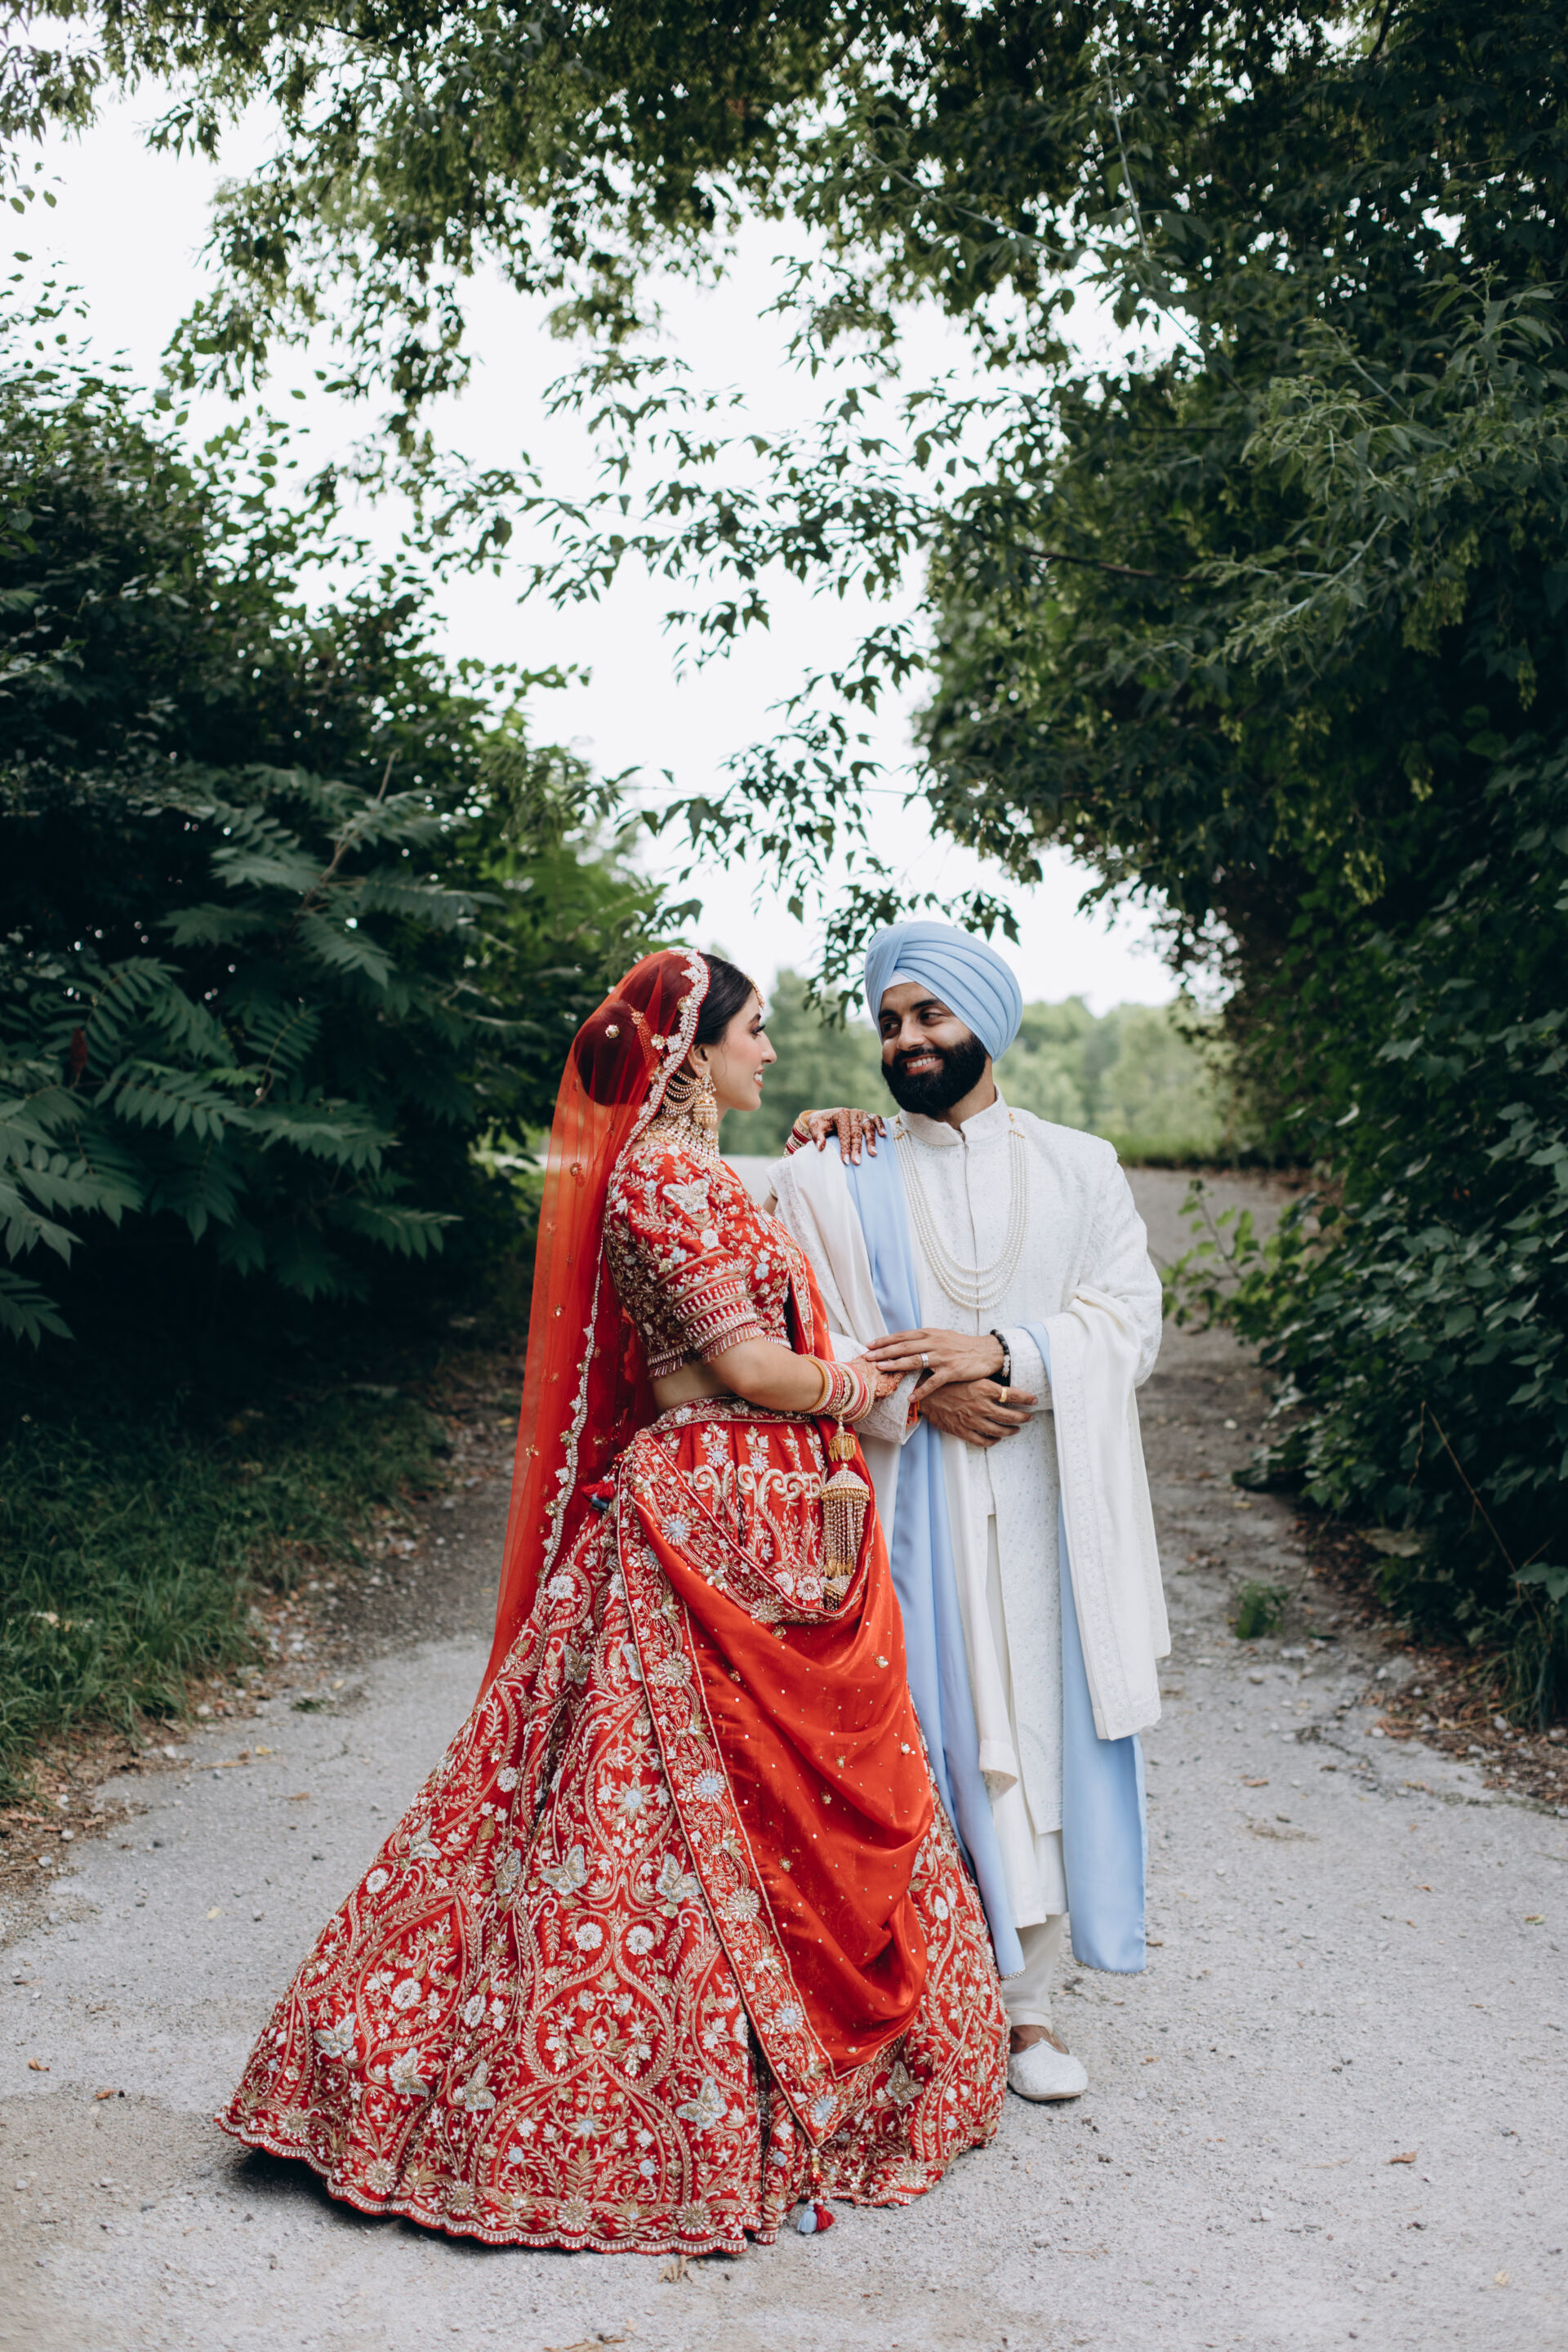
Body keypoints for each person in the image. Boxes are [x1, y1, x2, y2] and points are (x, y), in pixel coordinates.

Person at [217, 947, 1007, 2254]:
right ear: (694, 1049)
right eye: (756, 1033)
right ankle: (625, 2109)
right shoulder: (660, 1181)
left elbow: (797, 1224)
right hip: (706, 1514)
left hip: (771, 1515)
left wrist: (839, 1129)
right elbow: (748, 1366)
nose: (772, 1053)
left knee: (773, 1794)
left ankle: (791, 2079)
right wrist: (867, 1384)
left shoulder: (700, 1172)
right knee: (648, 1810)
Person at [767, 921, 1168, 2104]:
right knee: (916, 1739)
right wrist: (919, 1396)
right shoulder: (838, 1169)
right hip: (911, 1495)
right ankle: (909, 2005)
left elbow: (1130, 1320)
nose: (908, 1041)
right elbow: (802, 1321)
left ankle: (1027, 2012)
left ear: (986, 1020)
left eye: (930, 1016)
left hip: (1047, 1499)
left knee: (1035, 1743)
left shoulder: (1081, 1165)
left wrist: (1002, 1352)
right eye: (890, 1023)